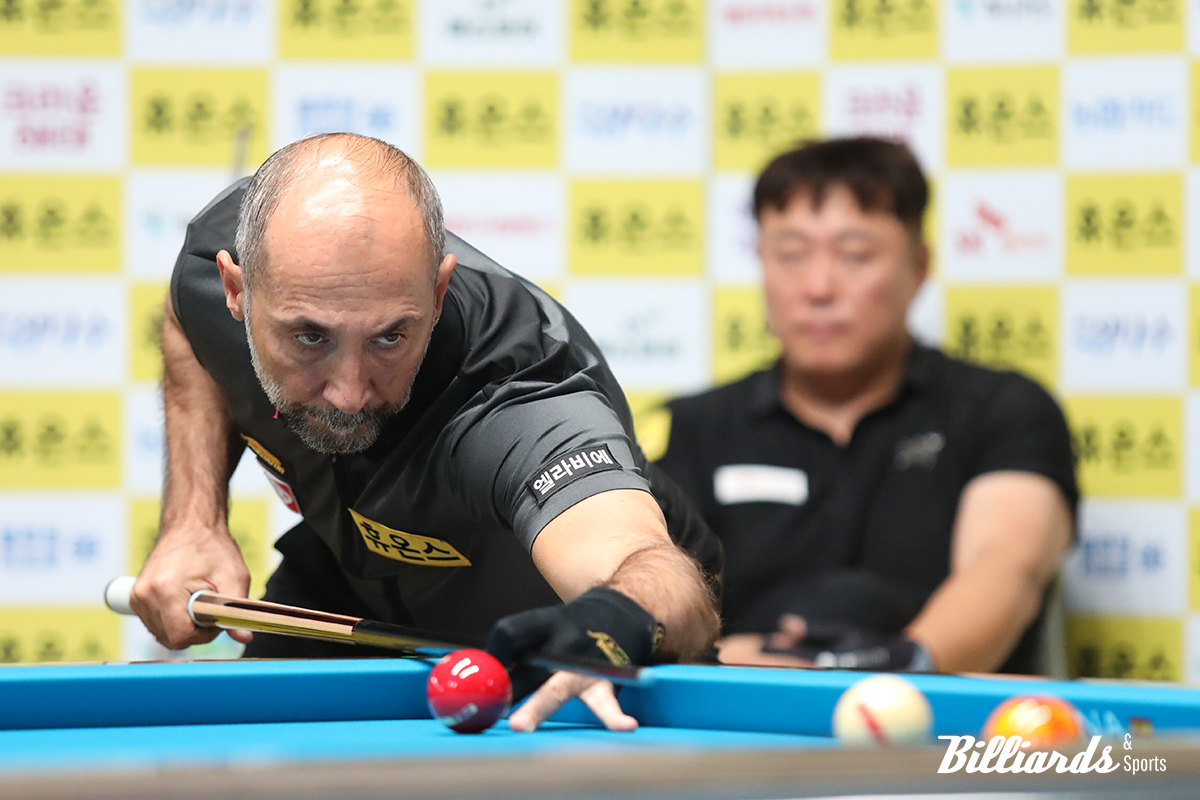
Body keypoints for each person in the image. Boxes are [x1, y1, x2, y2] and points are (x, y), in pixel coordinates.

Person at [129, 132, 721, 731]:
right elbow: (185, 322)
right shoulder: (211, 270)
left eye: (390, 337)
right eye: (309, 338)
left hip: (554, 645)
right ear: (237, 292)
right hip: (345, 591)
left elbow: (656, 569)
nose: (350, 393)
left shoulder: (516, 393)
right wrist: (194, 522)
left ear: (438, 294)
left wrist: (614, 620)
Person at [657, 137, 1077, 675]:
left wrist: (879, 669)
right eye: (790, 255)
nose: (818, 287)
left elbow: (1006, 569)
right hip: (737, 716)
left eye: (854, 255)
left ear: (918, 266)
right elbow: (660, 594)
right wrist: (727, 668)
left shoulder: (1002, 409)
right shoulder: (693, 427)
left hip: (952, 718)